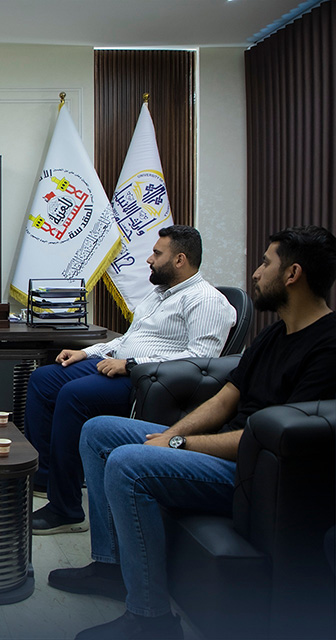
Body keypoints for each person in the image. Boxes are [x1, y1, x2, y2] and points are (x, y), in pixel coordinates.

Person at [49, 225, 336, 640]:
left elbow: (276, 442)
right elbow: (227, 398)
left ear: (292, 274)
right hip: (231, 451)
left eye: (265, 263)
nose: (256, 273)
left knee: (128, 464)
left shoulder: (327, 347)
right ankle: (111, 567)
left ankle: (151, 620)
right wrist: (172, 434)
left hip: (256, 473)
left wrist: (180, 443)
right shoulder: (276, 333)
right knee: (98, 432)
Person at [26, 225, 235, 535]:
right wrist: (87, 352)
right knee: (43, 379)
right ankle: (46, 479)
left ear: (179, 260)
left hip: (149, 382)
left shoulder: (206, 300)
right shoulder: (159, 294)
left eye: (157, 254)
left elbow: (200, 361)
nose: (149, 259)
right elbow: (127, 340)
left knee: (73, 394)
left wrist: (131, 365)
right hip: (122, 366)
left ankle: (66, 510)